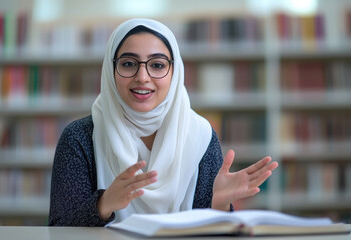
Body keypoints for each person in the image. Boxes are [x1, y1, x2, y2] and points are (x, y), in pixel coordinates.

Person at [48, 18, 278, 226]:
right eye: (128, 63)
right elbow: (58, 229)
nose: (142, 77)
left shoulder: (201, 137)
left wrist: (217, 204)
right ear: (111, 70)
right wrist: (104, 204)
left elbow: (212, 233)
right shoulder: (79, 138)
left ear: (174, 72)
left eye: (157, 65)